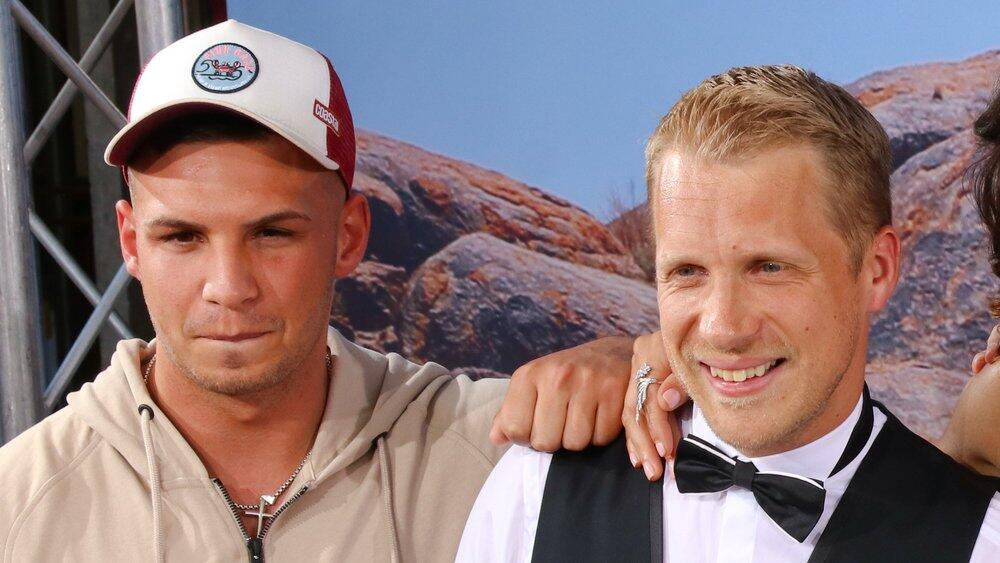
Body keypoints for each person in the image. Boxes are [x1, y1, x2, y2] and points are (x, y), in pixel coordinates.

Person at [0, 20, 644, 562]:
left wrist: (642, 364)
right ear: (132, 242)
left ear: (349, 236)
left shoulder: (499, 450)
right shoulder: (20, 503)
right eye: (183, 237)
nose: (228, 287)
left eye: (272, 234)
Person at [458, 65, 1000, 562]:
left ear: (876, 271)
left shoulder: (978, 540)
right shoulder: (535, 488)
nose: (723, 328)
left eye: (769, 267)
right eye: (687, 271)